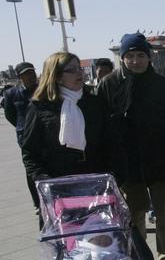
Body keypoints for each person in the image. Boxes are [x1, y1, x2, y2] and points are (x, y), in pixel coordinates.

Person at [98, 33, 165, 260]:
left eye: (140, 56)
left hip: (159, 157)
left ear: (149, 57)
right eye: (129, 56)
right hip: (127, 163)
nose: (135, 61)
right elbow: (101, 128)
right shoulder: (109, 84)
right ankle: (139, 257)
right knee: (134, 213)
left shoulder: (162, 84)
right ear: (122, 58)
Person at [21, 52, 109, 197]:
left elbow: (111, 142)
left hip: (97, 185)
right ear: (56, 76)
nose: (78, 72)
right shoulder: (40, 107)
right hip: (58, 188)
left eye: (79, 68)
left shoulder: (95, 103)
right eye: (71, 70)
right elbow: (30, 153)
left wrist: (115, 175)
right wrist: (44, 181)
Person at [2, 61, 40, 209]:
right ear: (20, 77)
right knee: (31, 170)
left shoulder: (41, 90)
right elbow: (10, 115)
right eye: (26, 75)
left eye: (32, 73)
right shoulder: (11, 93)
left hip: (42, 134)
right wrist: (22, 128)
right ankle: (37, 202)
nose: (31, 77)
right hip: (25, 137)